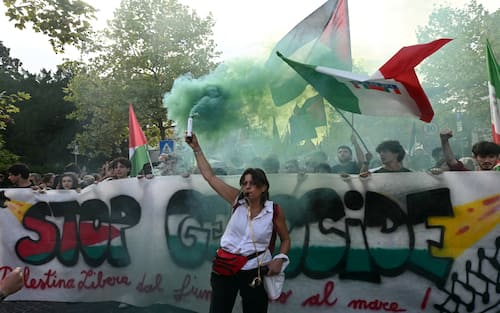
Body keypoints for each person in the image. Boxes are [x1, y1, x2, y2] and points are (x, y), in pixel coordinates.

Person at [185, 133, 290, 313]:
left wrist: (280, 260)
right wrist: (196, 149)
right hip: (224, 268)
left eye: (252, 183)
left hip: (254, 271)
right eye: (244, 183)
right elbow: (210, 177)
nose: (247, 187)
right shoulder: (237, 201)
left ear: (263, 187)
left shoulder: (274, 211)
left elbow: (285, 240)